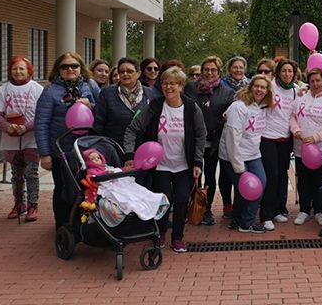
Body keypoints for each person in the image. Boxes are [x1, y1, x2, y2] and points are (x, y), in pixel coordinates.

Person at [123, 67, 206, 253]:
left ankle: (178, 238)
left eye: (173, 83)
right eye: (165, 83)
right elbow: (132, 129)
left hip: (184, 164)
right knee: (163, 201)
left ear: (181, 86)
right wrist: (129, 155)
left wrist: (197, 162)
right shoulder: (154, 106)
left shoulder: (191, 108)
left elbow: (201, 135)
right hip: (160, 165)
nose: (168, 87)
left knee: (183, 199)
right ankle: (160, 233)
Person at [35, 52, 97, 229]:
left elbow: (102, 110)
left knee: (85, 187)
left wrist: (91, 105)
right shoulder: (49, 92)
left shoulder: (89, 87)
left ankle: (81, 224)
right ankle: (63, 226)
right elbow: (41, 123)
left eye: (74, 66)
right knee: (63, 189)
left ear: (81, 68)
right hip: (61, 150)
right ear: (58, 69)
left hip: (85, 149)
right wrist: (45, 154)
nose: (70, 69)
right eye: (65, 66)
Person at [184, 56, 235, 226]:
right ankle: (191, 207)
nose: (209, 73)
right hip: (193, 140)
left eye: (213, 70)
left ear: (219, 72)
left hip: (214, 141)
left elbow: (228, 118)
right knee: (193, 175)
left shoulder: (227, 92)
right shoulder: (190, 88)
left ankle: (207, 210)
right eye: (206, 69)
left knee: (210, 176)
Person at [0, 56, 44, 221]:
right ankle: (18, 204)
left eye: (22, 68)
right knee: (16, 174)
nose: (18, 71)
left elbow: (42, 114)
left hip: (31, 138)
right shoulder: (3, 89)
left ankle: (32, 205)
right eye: (15, 68)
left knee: (31, 173)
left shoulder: (37, 89)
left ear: (29, 70)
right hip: (11, 137)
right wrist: (7, 127)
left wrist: (27, 127)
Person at [221, 75, 274, 234]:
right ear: (250, 87)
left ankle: (239, 219)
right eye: (256, 86)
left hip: (253, 154)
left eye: (263, 87)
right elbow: (232, 138)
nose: (259, 90)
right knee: (249, 188)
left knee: (259, 184)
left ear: (267, 91)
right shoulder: (239, 107)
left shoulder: (263, 106)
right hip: (233, 156)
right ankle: (246, 223)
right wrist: (239, 167)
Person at [289, 68, 322, 226]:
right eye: (312, 81)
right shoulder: (301, 97)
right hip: (301, 148)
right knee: (303, 180)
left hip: (321, 149)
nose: (315, 84)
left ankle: (319, 210)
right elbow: (292, 117)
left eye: (318, 80)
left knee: (319, 180)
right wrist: (296, 130)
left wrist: (316, 137)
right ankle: (304, 210)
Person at [82, 149, 169, 226]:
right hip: (109, 187)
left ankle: (152, 199)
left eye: (98, 158)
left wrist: (125, 170)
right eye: (93, 159)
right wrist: (107, 173)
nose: (96, 160)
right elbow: (95, 177)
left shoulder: (107, 167)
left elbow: (119, 170)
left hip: (120, 183)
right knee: (124, 197)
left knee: (137, 191)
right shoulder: (91, 171)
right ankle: (134, 207)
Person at [259, 59, 298, 231]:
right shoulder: (269, 86)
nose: (287, 74)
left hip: (285, 138)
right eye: (284, 71)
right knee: (272, 175)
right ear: (278, 72)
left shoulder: (297, 91)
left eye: (290, 71)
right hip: (267, 137)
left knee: (282, 175)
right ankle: (266, 214)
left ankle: (279, 209)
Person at [95, 57, 157, 148]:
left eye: (129, 71)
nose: (125, 74)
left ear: (138, 73)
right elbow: (98, 123)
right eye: (122, 71)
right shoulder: (107, 93)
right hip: (113, 148)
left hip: (142, 149)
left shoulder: (150, 94)